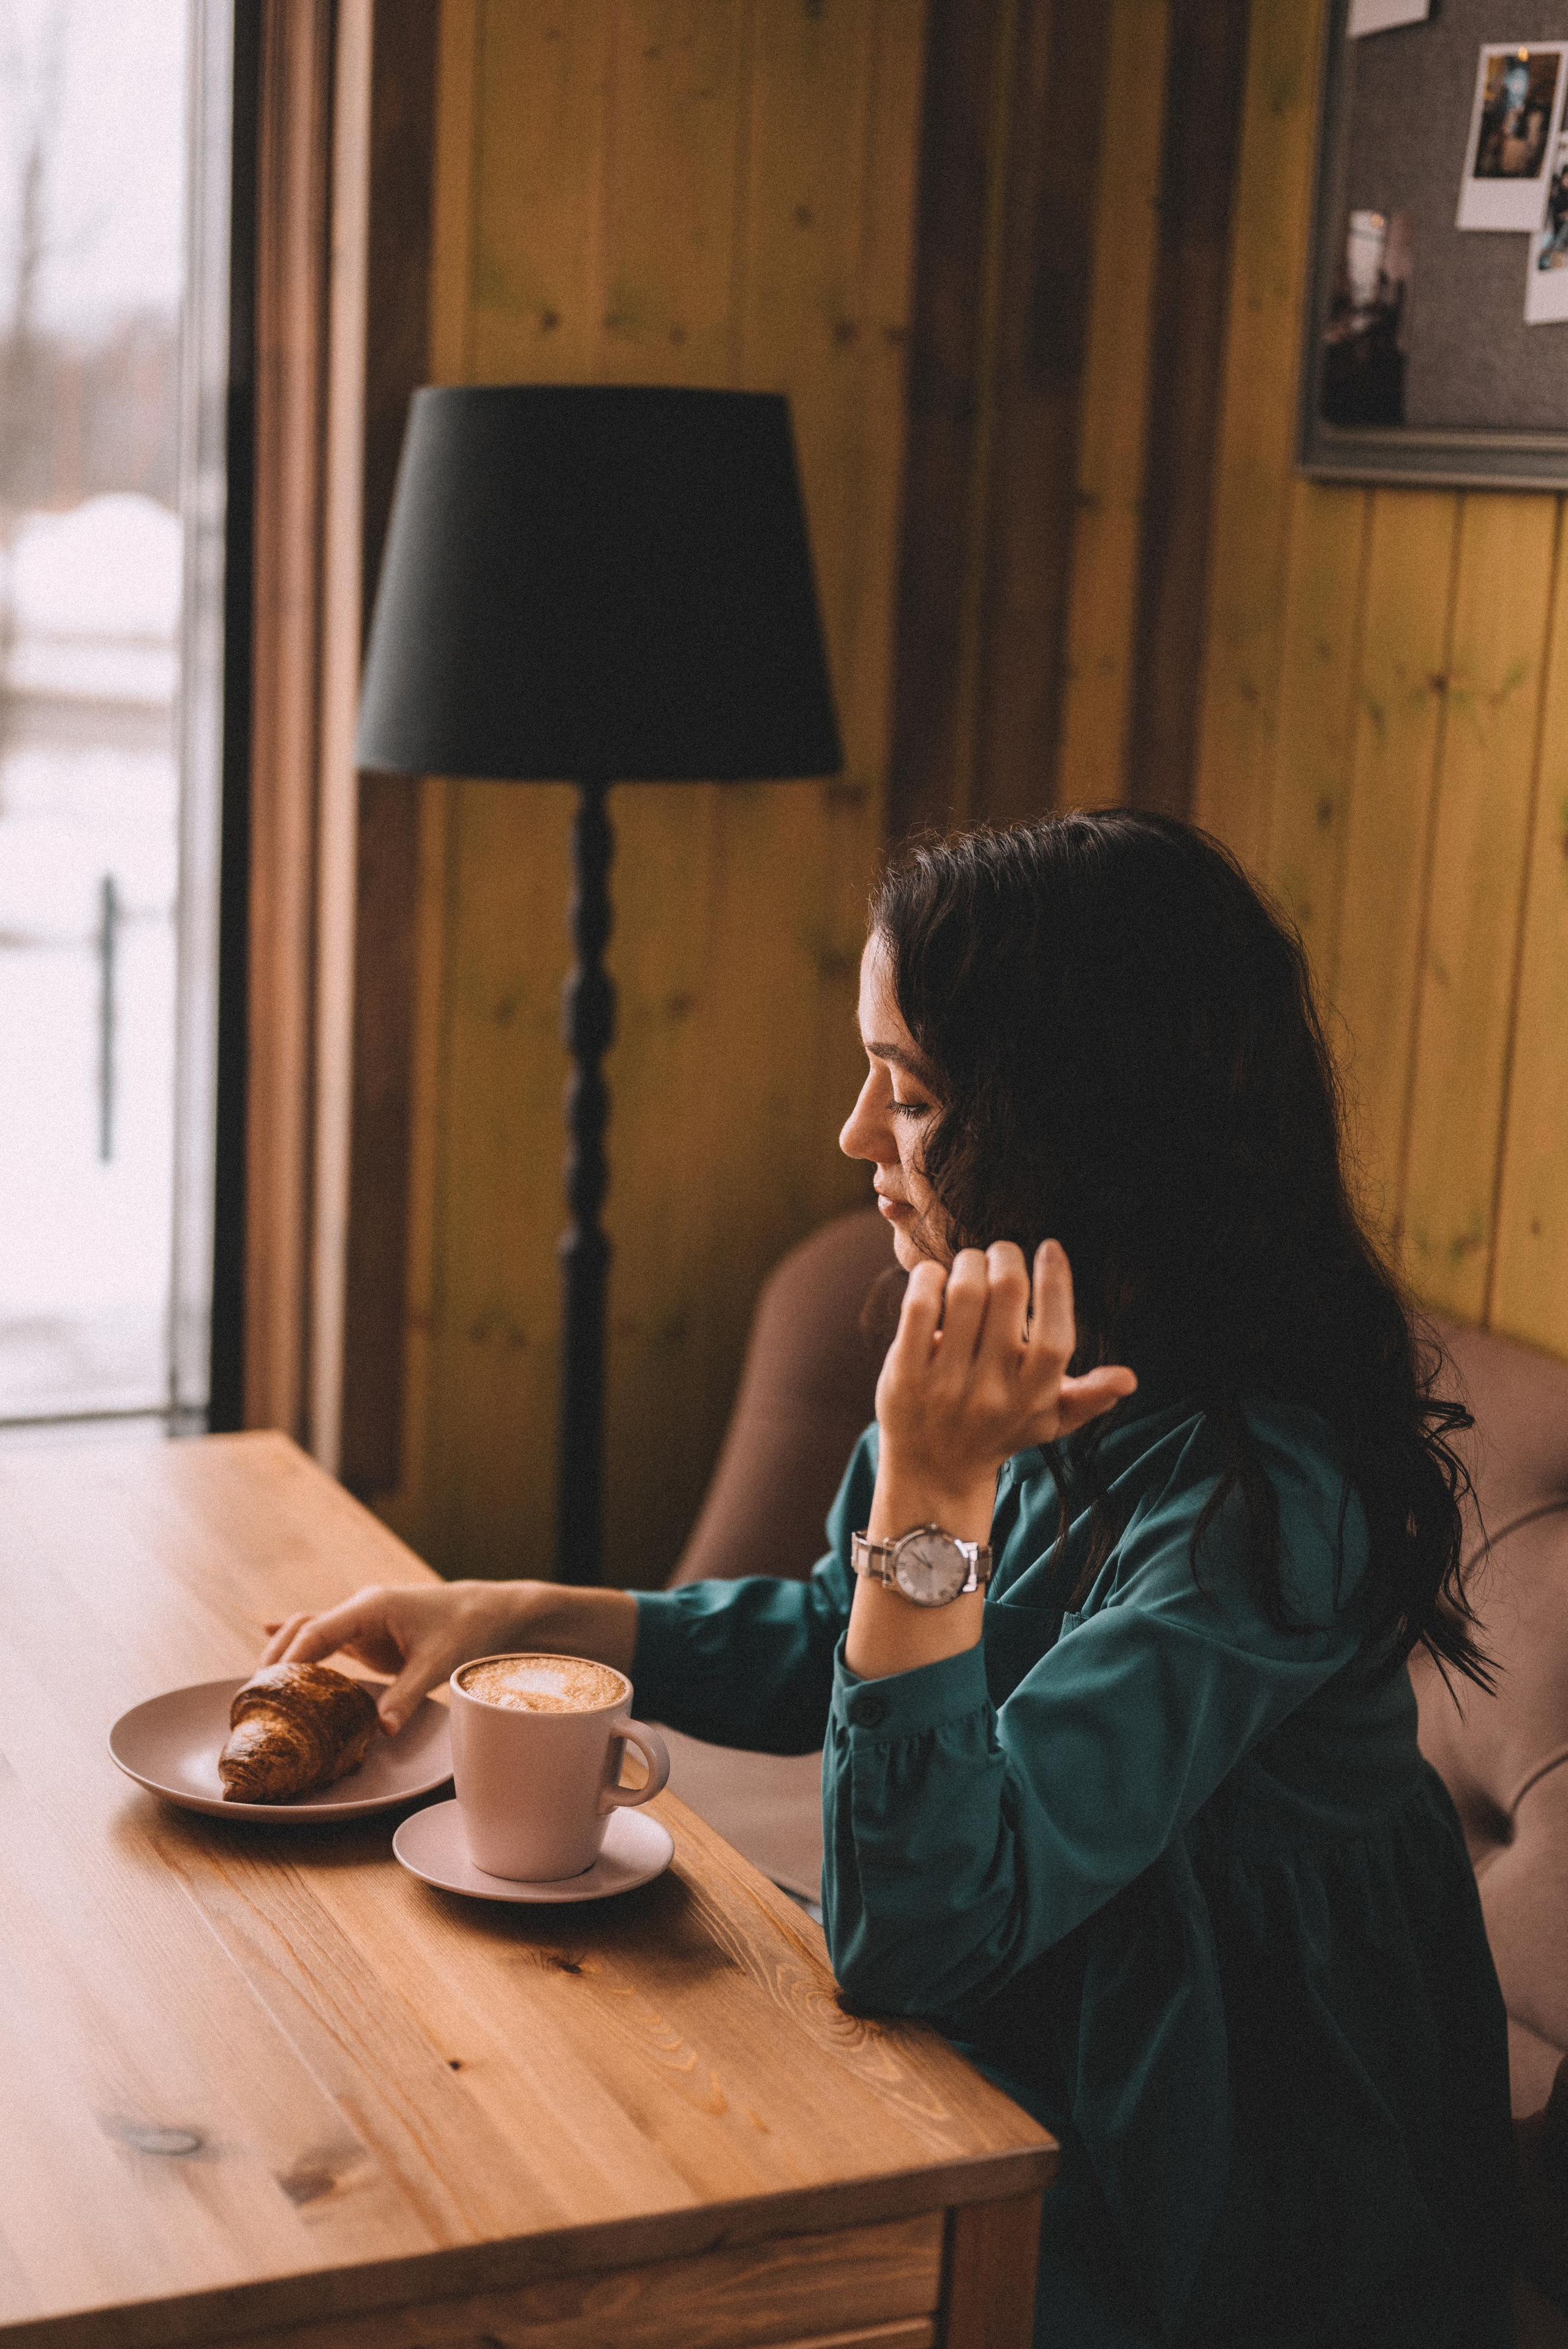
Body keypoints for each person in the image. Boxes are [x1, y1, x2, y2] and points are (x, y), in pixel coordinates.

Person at [265, 812, 1517, 2345]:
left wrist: (929, 1485)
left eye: (909, 1094)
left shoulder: (1267, 1508)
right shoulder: (1009, 1352)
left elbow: (910, 1929)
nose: (858, 1135)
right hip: (1040, 1991)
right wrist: (522, 1612)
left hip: (1235, 2161)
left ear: (1079, 1131)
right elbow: (849, 1634)